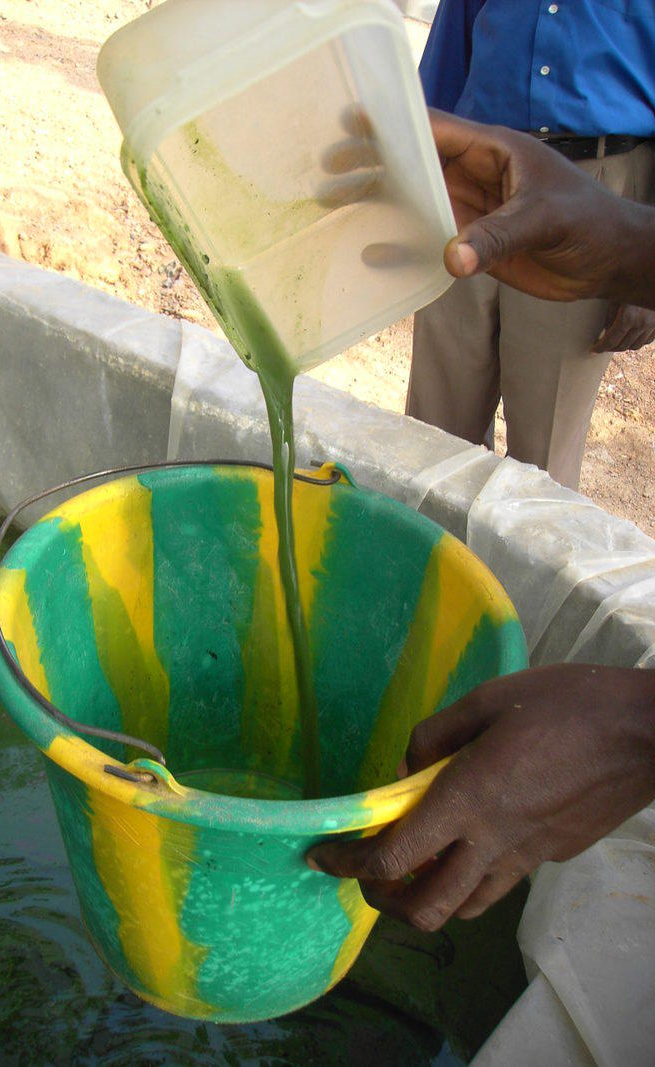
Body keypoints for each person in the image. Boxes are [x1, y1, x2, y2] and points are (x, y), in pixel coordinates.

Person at [307, 111, 655, 932]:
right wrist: (635, 247)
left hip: (600, 171)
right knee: (436, 430)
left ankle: (515, 673)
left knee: (542, 479)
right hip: (524, 197)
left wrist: (639, 729)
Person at [407, 0, 655, 490]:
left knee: (542, 462)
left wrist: (644, 262)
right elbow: (447, 55)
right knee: (432, 434)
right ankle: (428, 560)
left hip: (597, 188)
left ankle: (515, 570)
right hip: (475, 174)